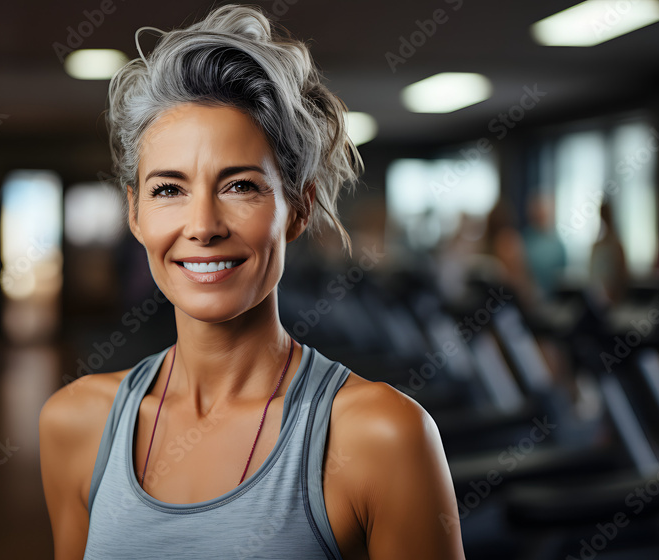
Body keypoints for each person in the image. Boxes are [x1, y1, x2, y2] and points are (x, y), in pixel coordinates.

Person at [39, 5, 465, 559]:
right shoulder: (75, 422)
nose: (203, 226)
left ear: (298, 208)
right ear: (135, 213)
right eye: (169, 189)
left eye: (240, 186)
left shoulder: (383, 435)